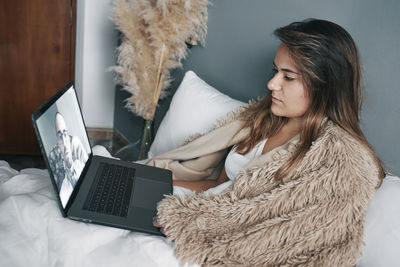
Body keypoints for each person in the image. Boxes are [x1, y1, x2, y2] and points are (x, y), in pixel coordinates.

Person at [147, 19, 385, 266]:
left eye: (288, 77)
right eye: (275, 71)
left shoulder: (337, 158)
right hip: (191, 217)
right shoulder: (262, 120)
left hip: (214, 243)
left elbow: (284, 235)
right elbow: (221, 186)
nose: (272, 84)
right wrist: (152, 183)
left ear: (324, 84)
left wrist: (188, 223)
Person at [48, 112, 88, 206]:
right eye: (59, 135)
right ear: (56, 138)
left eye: (65, 133)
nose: (64, 139)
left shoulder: (75, 142)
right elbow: (56, 185)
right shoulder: (53, 154)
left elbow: (88, 169)